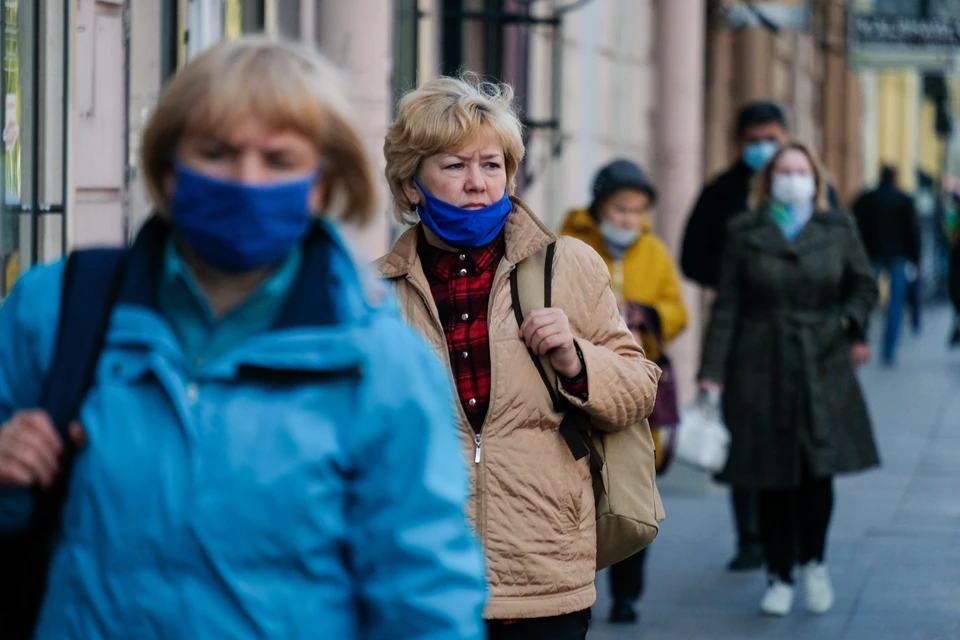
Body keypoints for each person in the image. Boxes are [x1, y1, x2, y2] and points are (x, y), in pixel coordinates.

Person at [0, 37, 487, 639]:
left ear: (320, 181)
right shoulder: (56, 311)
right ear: (169, 166)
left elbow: (424, 597)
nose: (246, 180)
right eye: (217, 152)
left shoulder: (379, 361)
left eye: (279, 160)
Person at [378, 75, 661, 640]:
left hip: (544, 570)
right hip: (420, 573)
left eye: (492, 165)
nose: (478, 184)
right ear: (412, 183)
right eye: (455, 166)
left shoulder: (568, 265)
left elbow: (639, 385)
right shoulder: (374, 297)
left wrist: (578, 360)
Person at [698, 141, 879, 617]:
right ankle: (778, 575)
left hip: (823, 364)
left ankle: (814, 563)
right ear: (769, 179)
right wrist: (712, 373)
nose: (793, 178)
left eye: (801, 171)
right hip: (760, 365)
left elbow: (862, 284)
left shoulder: (837, 227)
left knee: (818, 474)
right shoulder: (744, 231)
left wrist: (845, 322)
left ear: (816, 180)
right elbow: (728, 306)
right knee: (770, 477)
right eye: (785, 171)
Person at [680, 101, 839, 572]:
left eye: (770, 138)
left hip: (806, 342)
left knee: (804, 443)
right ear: (739, 142)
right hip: (744, 336)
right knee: (746, 439)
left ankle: (792, 540)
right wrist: (739, 276)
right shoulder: (721, 192)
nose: (762, 148)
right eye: (753, 140)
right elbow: (692, 257)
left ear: (787, 135)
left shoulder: (818, 192)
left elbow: (845, 261)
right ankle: (750, 538)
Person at [559, 159, 687, 625]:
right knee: (584, 491)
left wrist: (646, 315)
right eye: (620, 208)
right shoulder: (570, 243)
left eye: (637, 210)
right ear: (600, 205)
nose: (628, 219)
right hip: (582, 381)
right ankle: (580, 583)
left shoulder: (652, 251)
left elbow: (676, 309)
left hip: (635, 387)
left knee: (631, 492)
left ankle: (628, 593)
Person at [852, 165, 921, 366]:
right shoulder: (904, 199)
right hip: (898, 257)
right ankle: (888, 350)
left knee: (863, 299)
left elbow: (854, 225)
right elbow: (913, 232)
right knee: (895, 306)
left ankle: (860, 337)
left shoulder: (867, 198)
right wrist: (916, 260)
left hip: (870, 255)